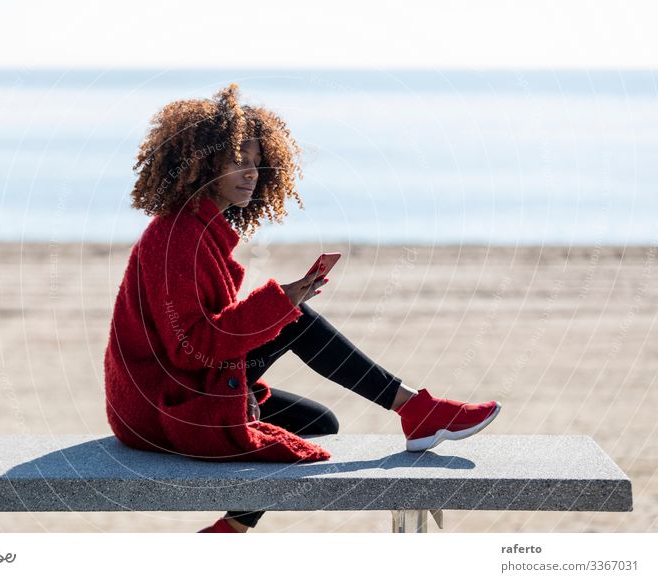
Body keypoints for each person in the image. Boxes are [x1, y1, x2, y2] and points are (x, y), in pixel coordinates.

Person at [104, 83, 501, 534]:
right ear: (199, 165)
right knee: (296, 322)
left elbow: (203, 345)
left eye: (256, 163)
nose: (252, 173)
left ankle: (230, 528)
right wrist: (281, 303)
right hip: (159, 404)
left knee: (318, 422)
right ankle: (416, 409)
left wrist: (278, 307)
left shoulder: (201, 229)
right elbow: (191, 348)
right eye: (238, 161)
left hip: (171, 391)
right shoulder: (177, 238)